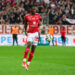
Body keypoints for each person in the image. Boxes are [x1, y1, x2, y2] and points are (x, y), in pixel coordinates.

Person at [22, 6, 42, 70]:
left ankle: (27, 64)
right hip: (30, 33)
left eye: (35, 9)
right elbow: (25, 24)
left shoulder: (38, 15)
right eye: (33, 9)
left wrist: (40, 24)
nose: (34, 10)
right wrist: (25, 30)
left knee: (33, 49)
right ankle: (24, 60)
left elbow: (41, 21)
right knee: (29, 43)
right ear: (30, 9)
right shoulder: (27, 16)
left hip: (36, 33)